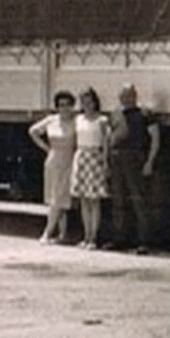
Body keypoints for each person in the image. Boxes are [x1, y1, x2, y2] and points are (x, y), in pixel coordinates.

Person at [108, 83, 160, 254]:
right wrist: (106, 160)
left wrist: (149, 162)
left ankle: (143, 241)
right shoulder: (115, 114)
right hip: (117, 158)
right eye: (123, 95)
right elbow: (109, 138)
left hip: (136, 158)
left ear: (135, 96)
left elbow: (155, 139)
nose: (126, 98)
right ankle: (119, 239)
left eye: (129, 94)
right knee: (118, 200)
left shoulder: (145, 114)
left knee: (139, 200)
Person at [28, 90, 77, 244]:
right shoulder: (51, 120)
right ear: (57, 107)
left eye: (68, 105)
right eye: (61, 105)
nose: (64, 108)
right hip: (53, 160)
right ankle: (60, 234)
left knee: (60, 199)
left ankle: (48, 233)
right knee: (55, 199)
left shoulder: (76, 122)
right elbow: (33, 131)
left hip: (69, 160)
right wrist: (46, 148)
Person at [71, 87, 111, 249]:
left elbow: (106, 143)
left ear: (95, 102)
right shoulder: (78, 119)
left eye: (89, 101)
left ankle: (94, 237)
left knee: (94, 201)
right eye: (83, 101)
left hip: (95, 157)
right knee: (83, 200)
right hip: (81, 156)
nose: (87, 104)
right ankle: (86, 235)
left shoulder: (102, 120)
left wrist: (106, 161)